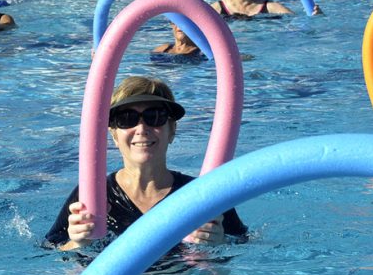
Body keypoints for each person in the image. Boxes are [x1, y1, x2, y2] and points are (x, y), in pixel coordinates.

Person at [43, 76, 248, 250]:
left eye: (155, 116)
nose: (141, 128)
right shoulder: (91, 195)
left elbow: (247, 249)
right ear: (114, 134)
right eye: (126, 118)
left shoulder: (201, 195)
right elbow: (48, 254)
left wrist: (220, 243)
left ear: (172, 130)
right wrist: (76, 243)